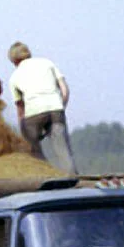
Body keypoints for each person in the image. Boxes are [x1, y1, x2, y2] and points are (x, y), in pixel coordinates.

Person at [8, 41, 76, 174]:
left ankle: (42, 173)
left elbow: (20, 108)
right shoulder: (47, 63)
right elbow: (65, 90)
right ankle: (72, 177)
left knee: (33, 147)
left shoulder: (14, 77)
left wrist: (24, 130)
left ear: (14, 61)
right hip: (56, 109)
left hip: (34, 114)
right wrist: (61, 107)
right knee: (62, 149)